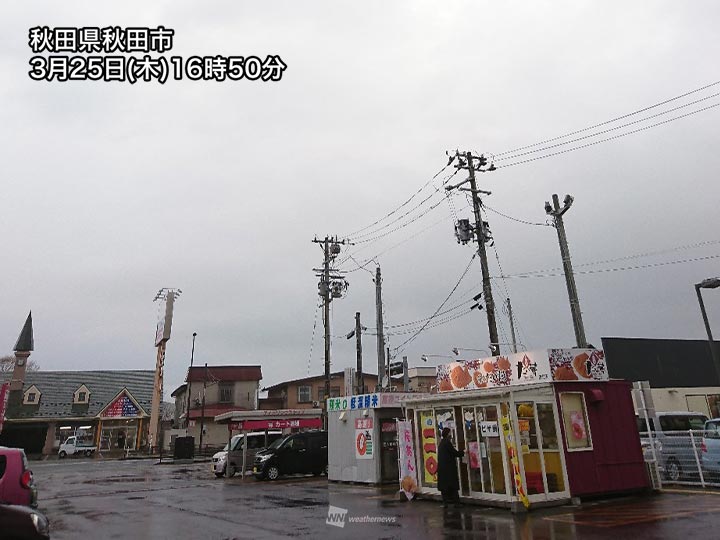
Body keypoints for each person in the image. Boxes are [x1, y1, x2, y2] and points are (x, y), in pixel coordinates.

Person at [437, 427, 464, 508]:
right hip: (448, 469)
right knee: (452, 486)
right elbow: (454, 453)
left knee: (445, 487)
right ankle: (456, 503)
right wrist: (463, 452)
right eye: (450, 433)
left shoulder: (441, 443)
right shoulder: (447, 443)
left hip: (442, 469)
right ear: (448, 434)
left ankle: (446, 503)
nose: (451, 434)